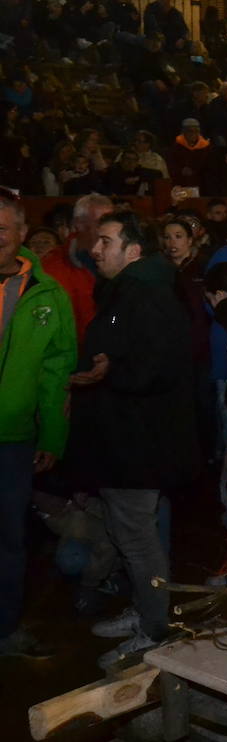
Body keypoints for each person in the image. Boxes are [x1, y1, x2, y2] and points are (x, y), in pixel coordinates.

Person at [69, 211, 196, 669]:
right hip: (128, 438)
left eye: (106, 241)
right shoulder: (133, 289)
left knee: (137, 538)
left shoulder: (145, 291)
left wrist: (110, 371)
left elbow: (159, 365)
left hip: (138, 442)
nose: (95, 249)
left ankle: (154, 629)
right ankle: (146, 609)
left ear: (133, 250)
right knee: (131, 534)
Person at [0, 195, 77, 659]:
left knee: (10, 539)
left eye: (3, 229)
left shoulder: (48, 296)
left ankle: (4, 629)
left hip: (13, 441)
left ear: (22, 233)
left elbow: (57, 372)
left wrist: (52, 435)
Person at [167, 118, 211, 190]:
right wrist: (181, 170)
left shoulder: (205, 148)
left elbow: (208, 167)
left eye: (196, 131)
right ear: (183, 132)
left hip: (200, 184)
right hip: (180, 183)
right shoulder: (176, 147)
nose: (193, 134)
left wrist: (196, 171)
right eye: (190, 131)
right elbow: (171, 165)